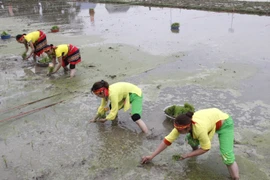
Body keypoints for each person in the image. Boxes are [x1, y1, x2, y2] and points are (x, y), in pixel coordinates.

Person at [141, 108, 239, 180]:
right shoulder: (183, 125)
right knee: (191, 139)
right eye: (176, 129)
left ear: (188, 128)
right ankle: (195, 151)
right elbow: (167, 141)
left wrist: (186, 155)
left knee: (227, 156)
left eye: (180, 130)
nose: (177, 132)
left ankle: (236, 178)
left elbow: (206, 148)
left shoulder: (200, 129)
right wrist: (151, 156)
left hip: (225, 123)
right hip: (210, 120)